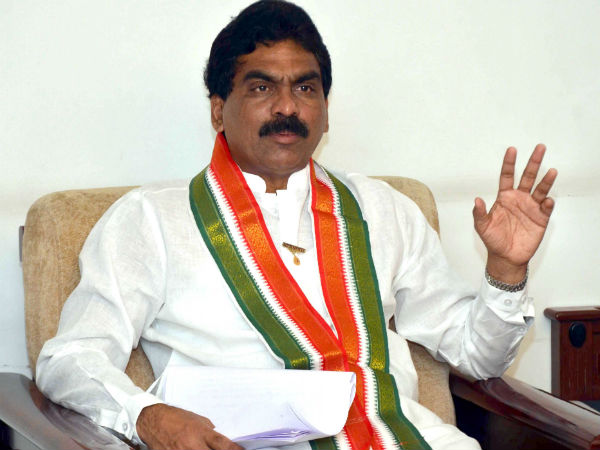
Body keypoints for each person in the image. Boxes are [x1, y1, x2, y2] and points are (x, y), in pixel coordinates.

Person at [36, 1, 557, 449]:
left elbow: (478, 357)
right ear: (218, 111)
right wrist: (148, 417)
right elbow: (70, 358)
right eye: (261, 87)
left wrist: (505, 271)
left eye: (305, 87)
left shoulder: (384, 208)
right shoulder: (151, 218)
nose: (287, 106)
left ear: (325, 110)